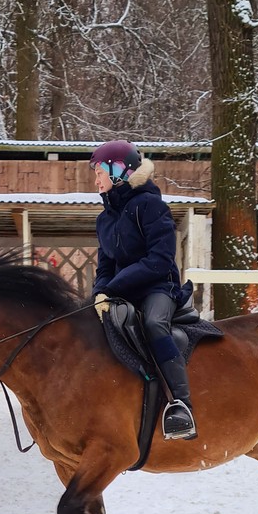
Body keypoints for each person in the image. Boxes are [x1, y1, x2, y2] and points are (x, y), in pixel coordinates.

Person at [90, 139, 197, 440]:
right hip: (121, 290)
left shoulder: (150, 206)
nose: (95, 179)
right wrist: (99, 292)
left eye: (99, 172)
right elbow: (105, 265)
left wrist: (112, 287)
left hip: (157, 286)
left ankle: (181, 406)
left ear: (119, 171)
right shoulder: (105, 219)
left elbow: (160, 259)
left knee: (153, 323)